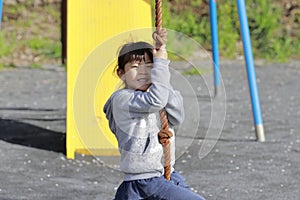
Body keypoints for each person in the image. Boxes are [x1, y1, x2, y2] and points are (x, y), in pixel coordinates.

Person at [103, 29, 205, 200]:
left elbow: (177, 116)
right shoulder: (121, 99)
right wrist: (160, 65)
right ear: (121, 74)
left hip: (166, 174)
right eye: (135, 67)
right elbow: (156, 100)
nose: (143, 72)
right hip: (143, 180)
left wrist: (162, 72)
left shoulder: (156, 93)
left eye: (150, 66)